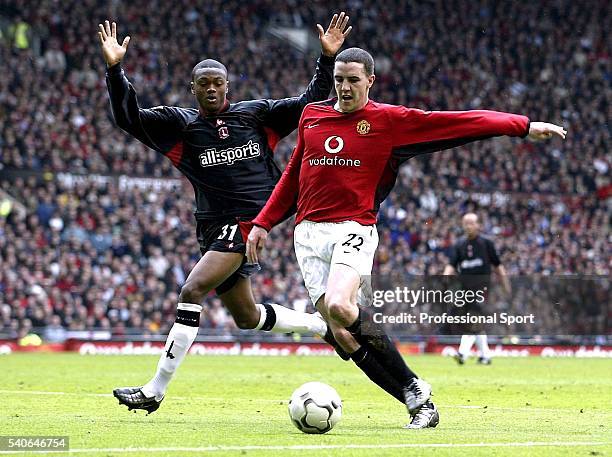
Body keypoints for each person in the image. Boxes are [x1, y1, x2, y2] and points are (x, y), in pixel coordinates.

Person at [246, 47, 566, 429]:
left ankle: (414, 386)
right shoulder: (313, 116)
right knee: (343, 335)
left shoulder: (388, 121)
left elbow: (459, 123)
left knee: (339, 307)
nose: (345, 87)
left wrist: (521, 125)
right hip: (307, 234)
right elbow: (293, 174)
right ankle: (416, 398)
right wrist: (264, 222)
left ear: (370, 81)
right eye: (339, 80)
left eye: (353, 80)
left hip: (354, 227)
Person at [98, 14, 353, 413]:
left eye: (218, 83)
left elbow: (307, 106)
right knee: (247, 317)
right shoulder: (179, 126)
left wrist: (326, 59)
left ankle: (155, 390)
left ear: (227, 86)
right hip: (214, 227)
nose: (212, 89)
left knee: (191, 290)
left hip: (252, 220)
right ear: (194, 89)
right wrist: (115, 70)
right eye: (205, 84)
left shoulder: (255, 115)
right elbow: (128, 117)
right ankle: (322, 327)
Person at [443, 213, 510, 365]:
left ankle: (462, 353)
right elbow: (451, 264)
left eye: (471, 223)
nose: (468, 226)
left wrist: (505, 284)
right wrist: (445, 279)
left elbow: (498, 265)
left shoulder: (487, 243)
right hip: (465, 288)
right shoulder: (459, 244)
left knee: (473, 317)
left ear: (478, 225)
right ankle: (485, 356)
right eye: (466, 223)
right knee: (475, 321)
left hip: (482, 287)